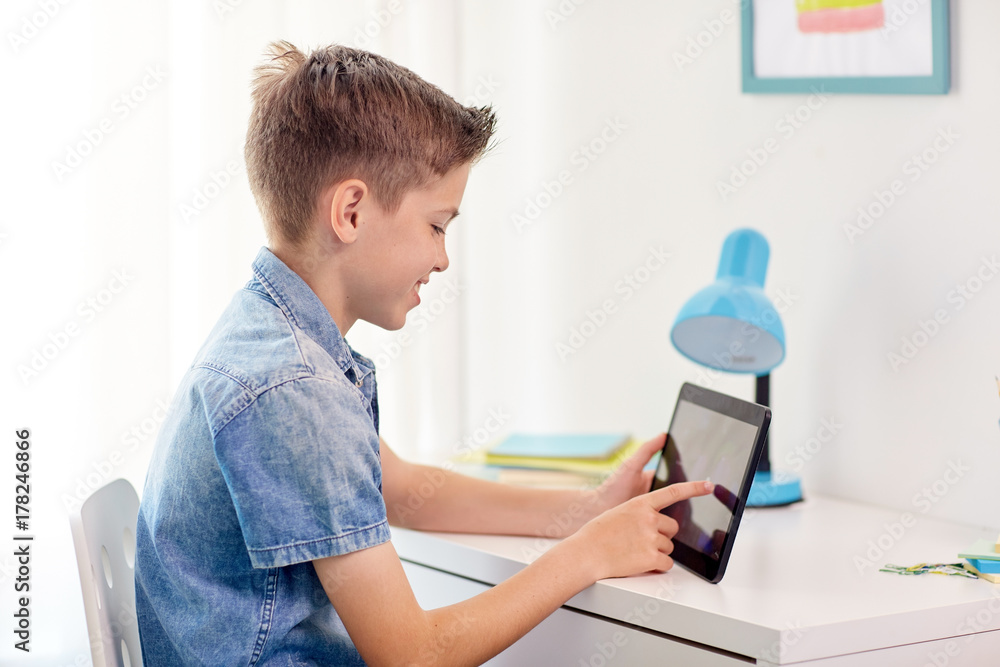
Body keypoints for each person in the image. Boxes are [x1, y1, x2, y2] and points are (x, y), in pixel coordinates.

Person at [134, 41, 712, 666]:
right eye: (437, 225)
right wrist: (587, 555)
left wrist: (586, 512)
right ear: (350, 211)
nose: (442, 258)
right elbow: (411, 657)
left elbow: (403, 488)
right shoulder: (296, 388)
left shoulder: (269, 333)